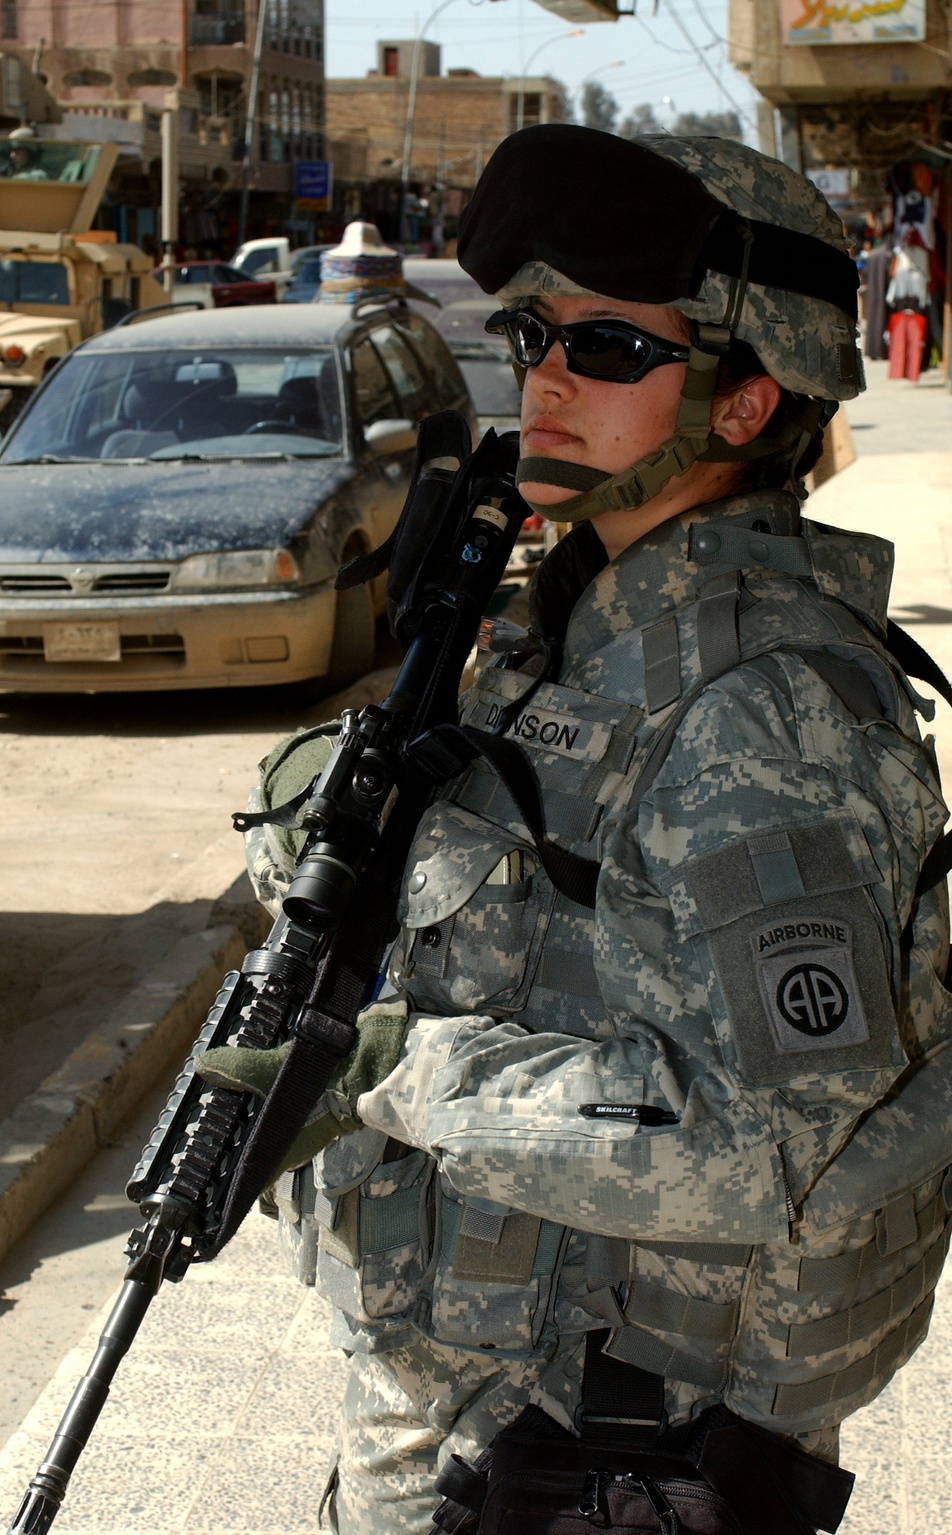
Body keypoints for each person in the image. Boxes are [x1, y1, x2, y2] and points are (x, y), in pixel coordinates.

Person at [209, 126, 952, 1533]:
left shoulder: (768, 710)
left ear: (744, 403)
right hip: (454, 1405)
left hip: (603, 1447)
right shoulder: (563, 633)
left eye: (609, 348)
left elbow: (765, 1146)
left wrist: (396, 1071)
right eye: (533, 331)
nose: (543, 372)